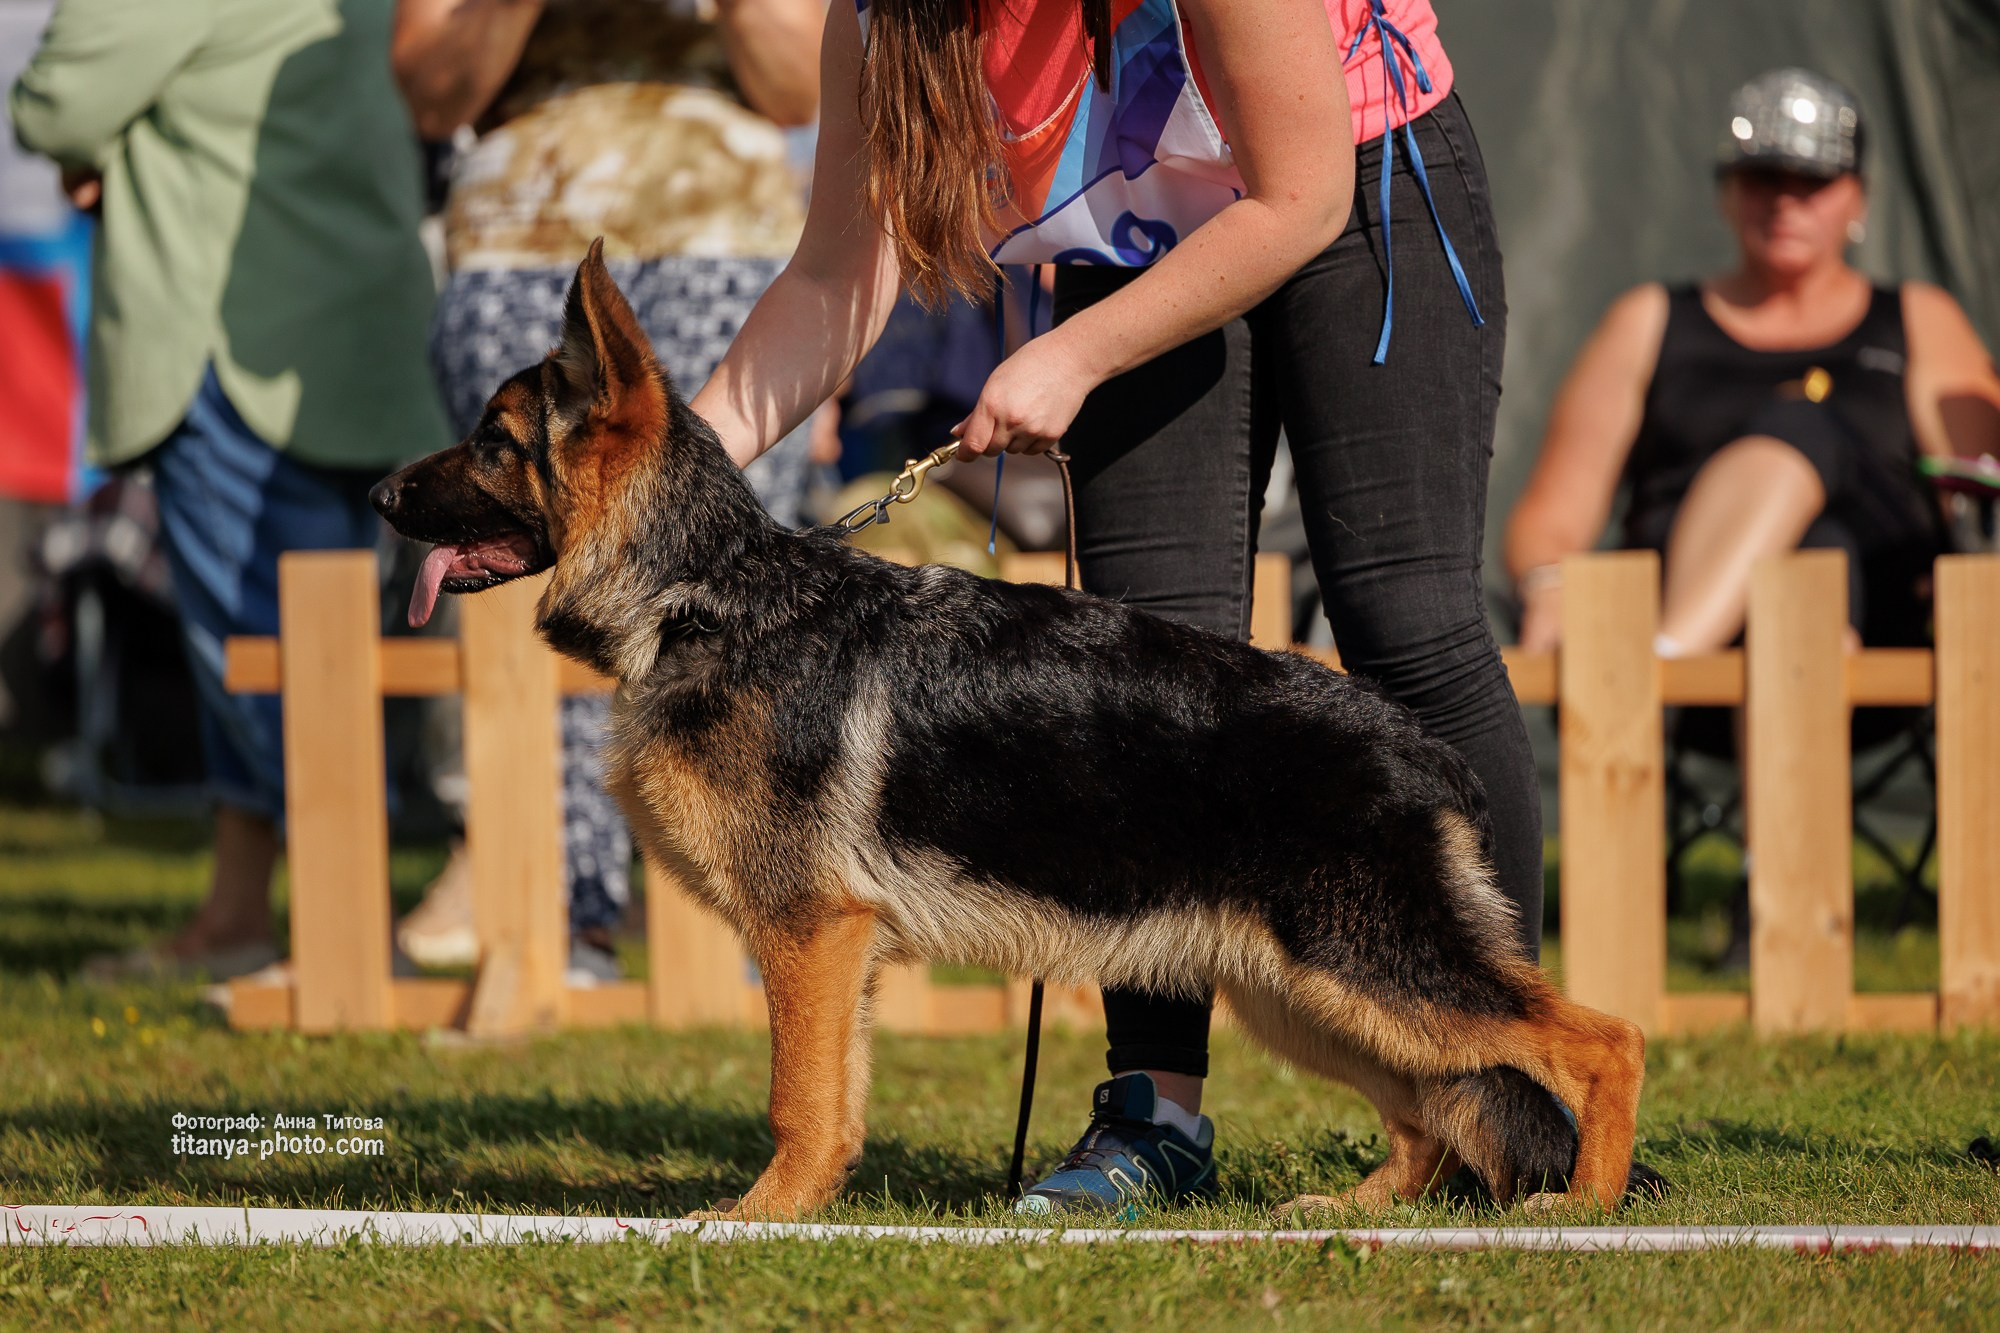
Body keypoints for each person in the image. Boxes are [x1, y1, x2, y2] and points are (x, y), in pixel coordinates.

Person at [687, 0, 1537, 1214]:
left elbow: (1297, 201)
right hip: (1137, 227)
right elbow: (834, 275)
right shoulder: (881, 17)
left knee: (1405, 621)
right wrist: (667, 471)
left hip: (1352, 188)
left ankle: (1506, 1105)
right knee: (1140, 670)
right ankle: (1154, 1119)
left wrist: (1073, 356)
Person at [11, 0, 450, 979]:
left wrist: (106, 143)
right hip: (357, 334)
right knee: (310, 650)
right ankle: (238, 915)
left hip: (235, 346)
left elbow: (55, 100)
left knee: (276, 658)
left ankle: (355, 944)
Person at [390, 0, 823, 981]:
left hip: (726, 241)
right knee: (532, 591)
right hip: (515, 244)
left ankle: (760, 923)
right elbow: (431, 96)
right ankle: (559, 923)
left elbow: (800, 86)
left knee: (732, 595)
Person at [1506, 68, 2000, 660]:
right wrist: (1549, 584)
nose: (1785, 202)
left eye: (1812, 182)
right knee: (1815, 515)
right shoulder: (1649, 320)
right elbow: (1554, 513)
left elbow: (1976, 500)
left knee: (1808, 450)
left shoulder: (1919, 319)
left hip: (1882, 627)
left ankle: (1665, 661)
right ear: (1727, 192)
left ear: (1859, 197)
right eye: (1764, 178)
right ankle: (1682, 647)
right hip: (1693, 603)